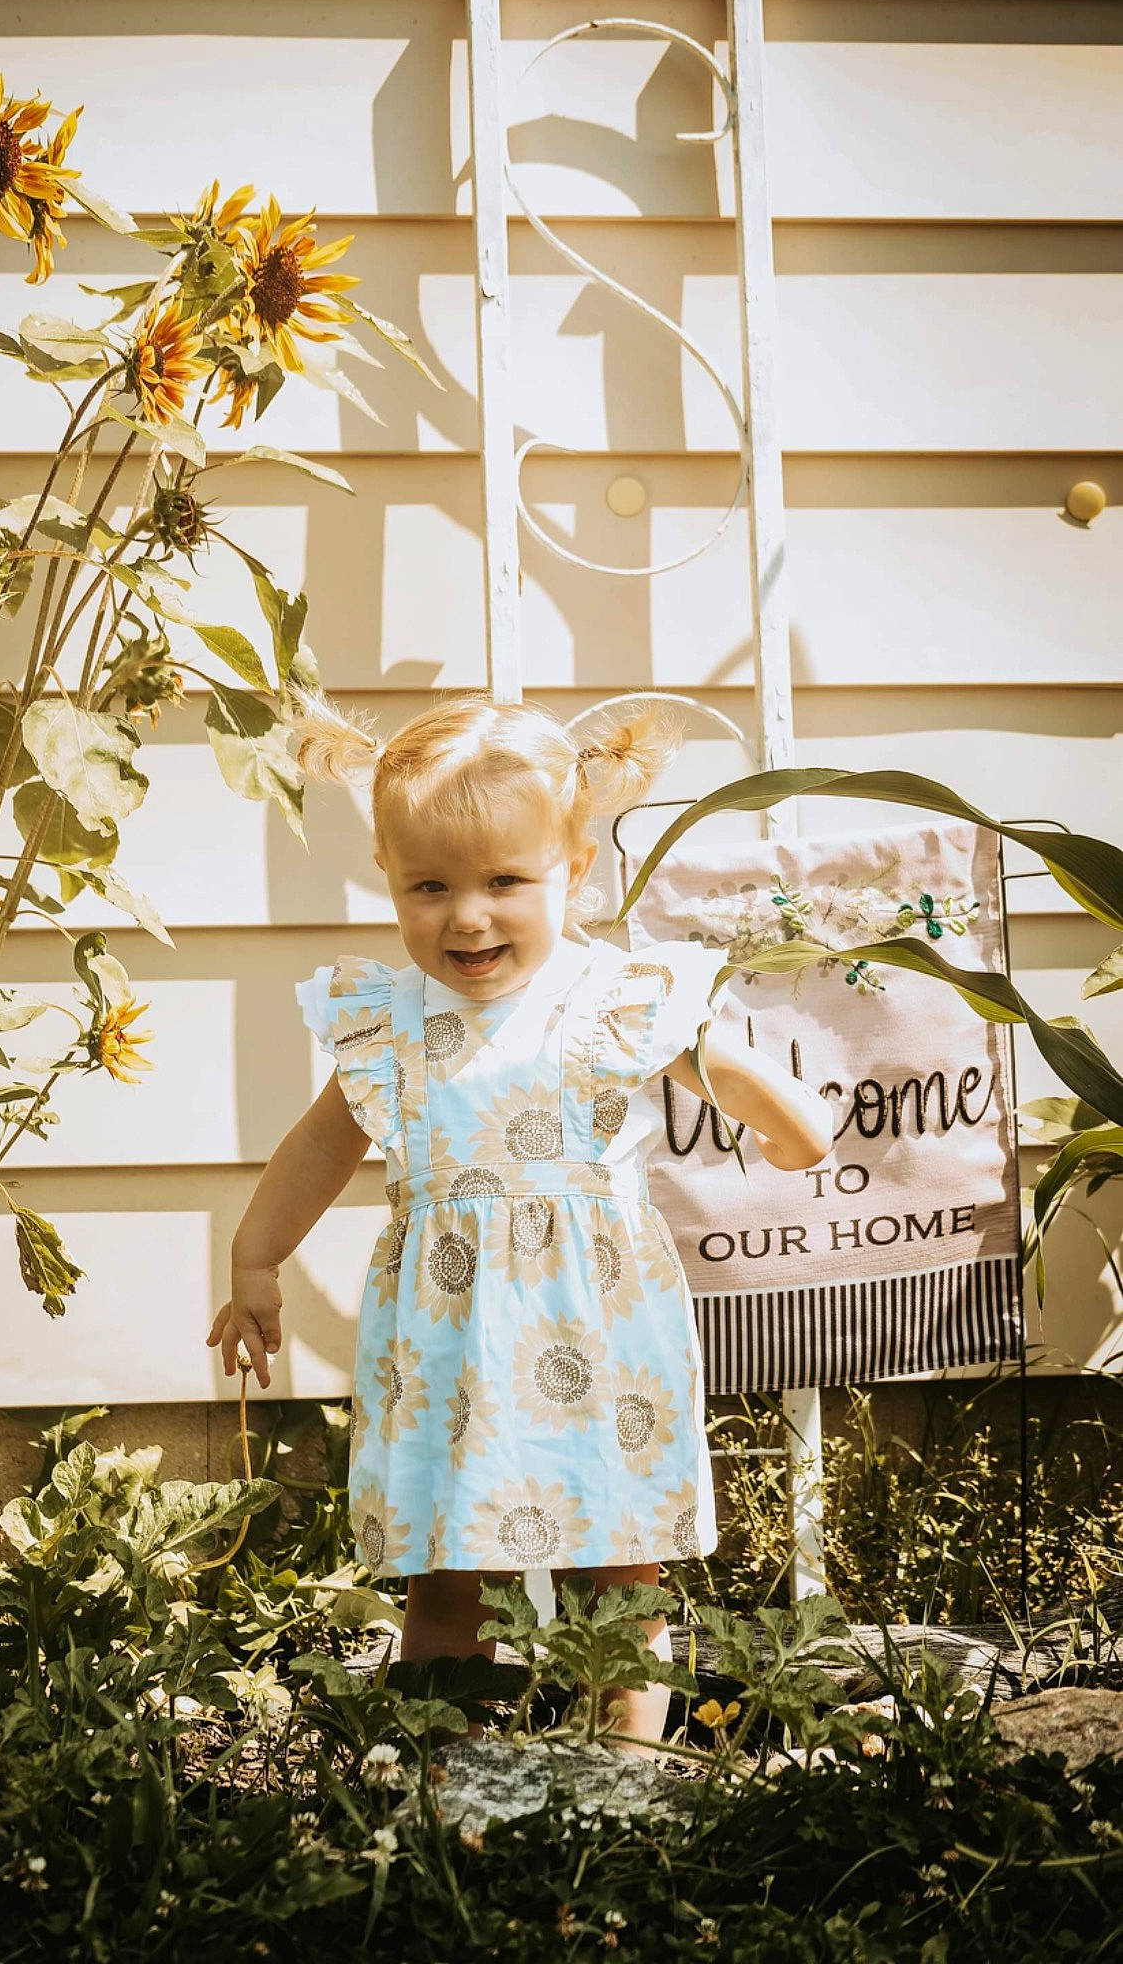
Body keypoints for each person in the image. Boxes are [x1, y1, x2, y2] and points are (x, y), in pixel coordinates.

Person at [209, 696, 833, 1748]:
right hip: (449, 1349)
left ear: (574, 870)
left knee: (617, 1574)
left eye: (506, 881)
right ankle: (450, 1777)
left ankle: (619, 1774)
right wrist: (256, 1253)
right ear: (388, 875)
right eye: (431, 885)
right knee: (449, 1579)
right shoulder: (390, 1023)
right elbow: (324, 1143)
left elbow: (725, 1068)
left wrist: (794, 1127)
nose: (467, 916)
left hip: (599, 1336)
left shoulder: (615, 999)